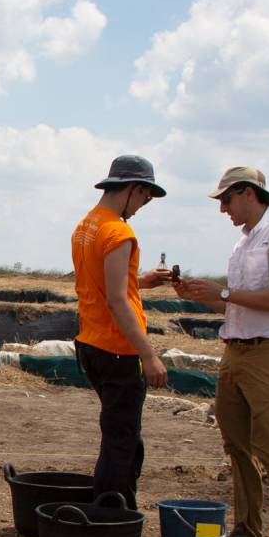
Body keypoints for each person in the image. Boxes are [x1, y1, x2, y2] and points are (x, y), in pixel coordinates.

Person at [176, 167, 269, 537]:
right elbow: (236, 303)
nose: (222, 209)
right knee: (237, 446)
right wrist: (202, 296)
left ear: (249, 194)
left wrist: (221, 292)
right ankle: (247, 533)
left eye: (227, 200)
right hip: (236, 350)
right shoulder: (244, 244)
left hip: (267, 353)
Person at [72, 154, 174, 508]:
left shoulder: (87, 226)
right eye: (145, 198)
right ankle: (112, 521)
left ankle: (115, 515)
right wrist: (149, 354)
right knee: (120, 443)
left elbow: (102, 286)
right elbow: (117, 301)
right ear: (135, 189)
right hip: (120, 352)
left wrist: (141, 282)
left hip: (91, 344)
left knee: (123, 438)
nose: (143, 206)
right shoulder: (119, 232)